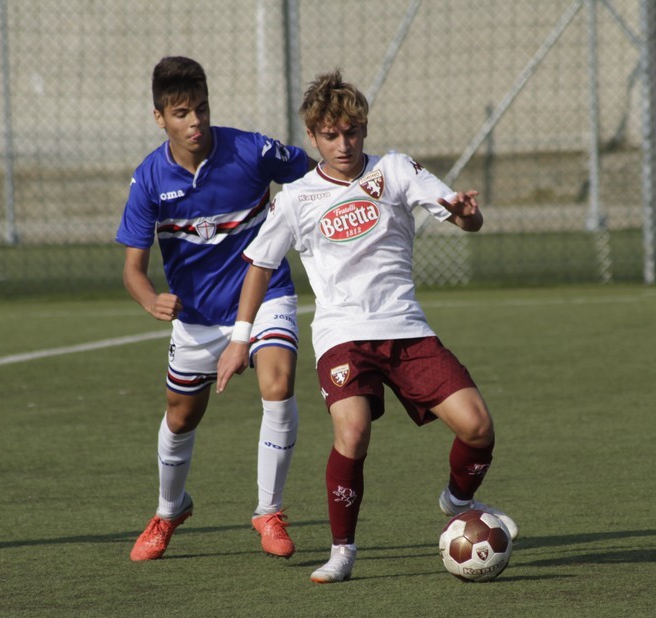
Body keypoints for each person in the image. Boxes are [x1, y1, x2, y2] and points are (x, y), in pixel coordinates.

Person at [216, 69, 517, 583]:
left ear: (365, 129)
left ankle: (457, 499)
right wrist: (239, 338)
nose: (343, 144)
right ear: (312, 137)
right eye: (330, 135)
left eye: (352, 132)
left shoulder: (395, 170)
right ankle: (342, 550)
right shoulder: (295, 198)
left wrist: (468, 215)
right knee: (352, 432)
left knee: (478, 427)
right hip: (342, 336)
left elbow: (463, 217)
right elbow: (260, 266)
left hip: (406, 328)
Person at [116, 56, 313, 562]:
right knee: (181, 417)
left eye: (201, 108)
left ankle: (269, 511)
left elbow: (318, 175)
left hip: (265, 294)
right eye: (182, 113)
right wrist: (150, 298)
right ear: (160, 117)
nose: (196, 121)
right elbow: (133, 269)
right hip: (197, 318)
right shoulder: (149, 180)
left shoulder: (251, 150)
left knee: (278, 384)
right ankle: (168, 511)